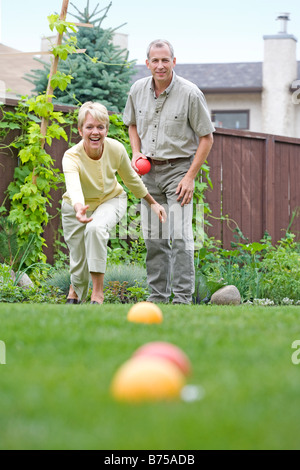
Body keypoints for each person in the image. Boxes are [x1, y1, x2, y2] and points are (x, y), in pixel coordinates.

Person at [123, 39, 215, 305]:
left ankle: (182, 300)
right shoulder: (137, 90)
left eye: (165, 60)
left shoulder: (190, 93)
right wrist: (136, 152)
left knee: (180, 236)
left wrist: (189, 177)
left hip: (178, 172)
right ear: (147, 63)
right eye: (155, 60)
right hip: (148, 172)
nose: (160, 65)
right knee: (154, 239)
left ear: (174, 62)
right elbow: (131, 124)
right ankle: (157, 298)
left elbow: (206, 138)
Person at [61, 101, 166, 304]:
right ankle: (76, 290)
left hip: (111, 199)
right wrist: (78, 208)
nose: (95, 132)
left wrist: (152, 202)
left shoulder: (116, 149)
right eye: (89, 127)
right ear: (80, 129)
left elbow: (131, 179)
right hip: (76, 207)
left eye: (100, 127)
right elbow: (73, 186)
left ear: (106, 129)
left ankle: (97, 293)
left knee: (96, 229)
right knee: (78, 260)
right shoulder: (71, 156)